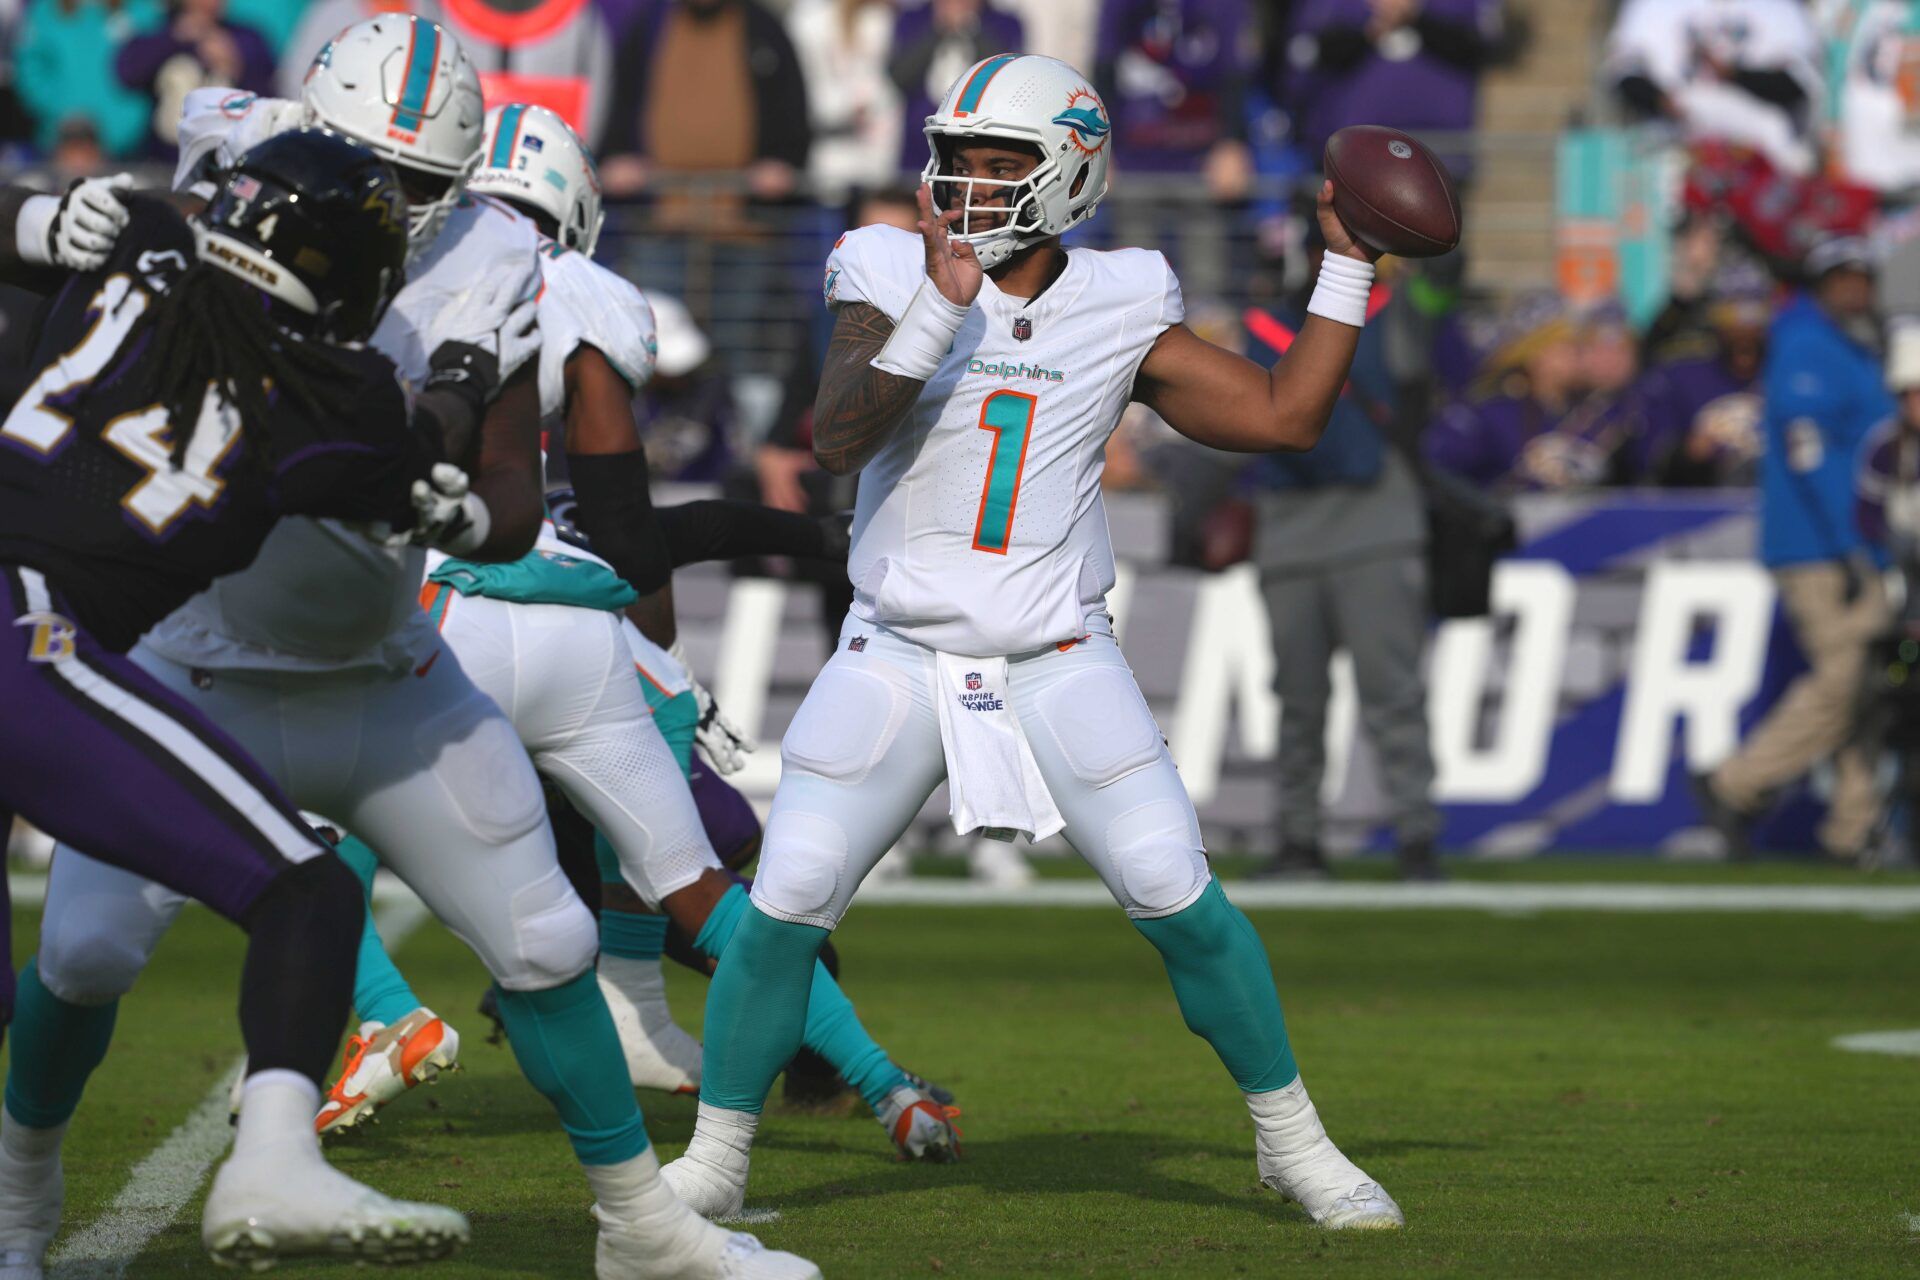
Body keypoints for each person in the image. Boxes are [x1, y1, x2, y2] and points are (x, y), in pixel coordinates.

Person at [2, 18, 820, 1279]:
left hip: (383, 666)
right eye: (358, 164)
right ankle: (18, 1208)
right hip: (195, 653)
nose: (389, 201)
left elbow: (503, 479)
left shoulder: (494, 251)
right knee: (86, 952)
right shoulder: (229, 165)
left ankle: (645, 1230)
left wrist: (459, 510)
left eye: (425, 182)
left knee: (546, 940)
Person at [661, 53, 1403, 1231]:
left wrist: (1348, 267)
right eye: (959, 159)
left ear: (1073, 173)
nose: (972, 184)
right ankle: (716, 1159)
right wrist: (943, 305)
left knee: (1177, 889)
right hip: (896, 648)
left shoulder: (1122, 294)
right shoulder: (890, 261)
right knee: (790, 893)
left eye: (1004, 163)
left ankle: (1293, 1141)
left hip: (1056, 652)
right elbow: (840, 433)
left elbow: (1281, 414)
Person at [322, 107, 953, 1165]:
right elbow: (628, 531)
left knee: (312, 824)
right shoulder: (591, 300)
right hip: (589, 638)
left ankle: (385, 1007)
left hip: (447, 607)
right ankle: (890, 1087)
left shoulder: (406, 269)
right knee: (703, 889)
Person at [0, 130, 488, 1271]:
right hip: (26, 627)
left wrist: (31, 216)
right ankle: (271, 1161)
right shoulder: (339, 386)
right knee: (304, 892)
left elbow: (53, 232)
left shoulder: (140, 235)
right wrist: (455, 424)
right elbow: (420, 475)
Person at [1247, 227, 1441, 883]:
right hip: (1314, 525)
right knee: (1303, 698)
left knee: (1387, 692)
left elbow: (1438, 323)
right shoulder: (1275, 324)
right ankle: (1302, 840)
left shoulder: (1386, 311)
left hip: (1367, 522)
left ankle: (1415, 836)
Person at [1695, 236, 1893, 862]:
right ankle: (1737, 782)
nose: (1855, 287)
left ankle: (1852, 826)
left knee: (1862, 685)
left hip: (1849, 539)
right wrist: (1852, 544)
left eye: (1862, 276)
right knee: (1846, 676)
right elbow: (1813, 455)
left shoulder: (1853, 343)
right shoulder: (1807, 342)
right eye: (1841, 277)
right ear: (1819, 284)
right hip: (1818, 543)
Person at [115, 0, 275, 157]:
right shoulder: (164, 35)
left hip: (228, 158)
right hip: (168, 158)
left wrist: (235, 62)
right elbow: (127, 74)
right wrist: (176, 38)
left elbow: (267, 94)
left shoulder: (245, 38)